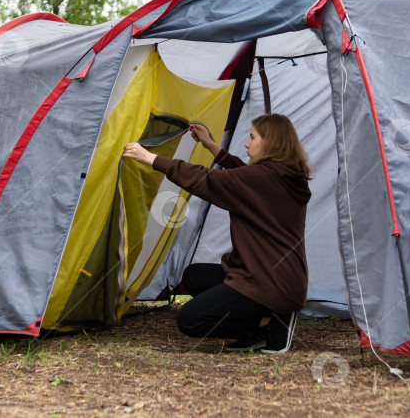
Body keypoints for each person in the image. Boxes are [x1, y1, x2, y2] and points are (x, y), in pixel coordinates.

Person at [122, 113, 311, 353]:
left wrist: (152, 159)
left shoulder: (260, 179)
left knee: (189, 320)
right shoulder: (283, 176)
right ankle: (264, 322)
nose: (246, 143)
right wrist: (211, 146)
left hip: (269, 283)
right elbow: (241, 174)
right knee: (194, 276)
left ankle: (270, 322)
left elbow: (207, 178)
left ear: (270, 142)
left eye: (252, 137)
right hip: (281, 277)